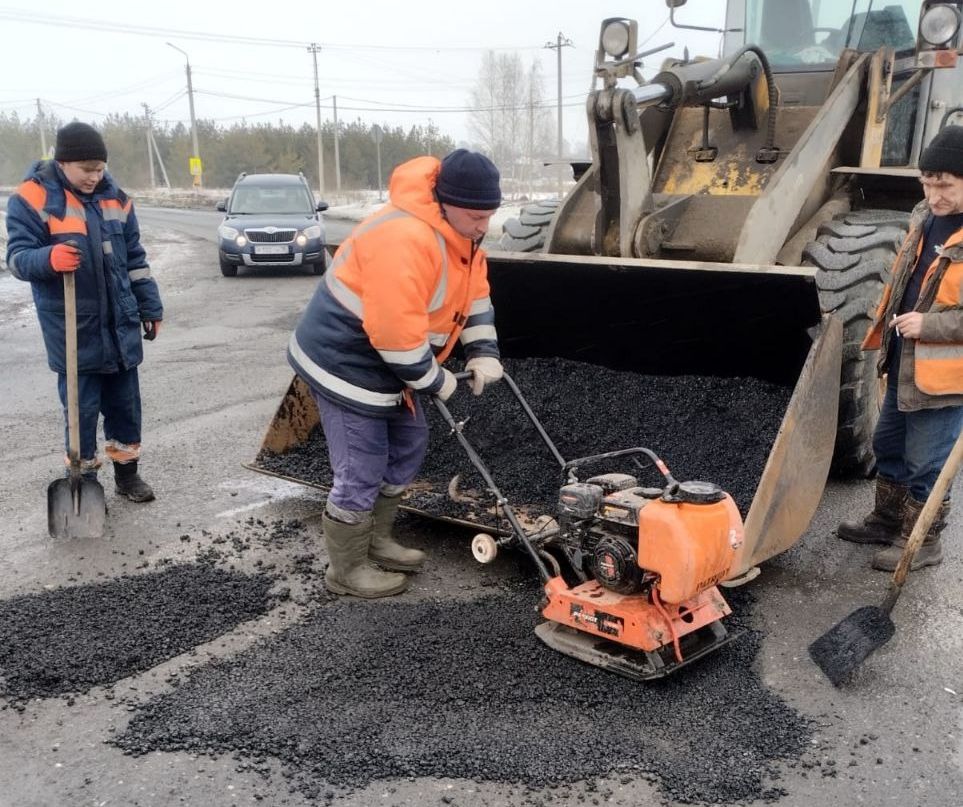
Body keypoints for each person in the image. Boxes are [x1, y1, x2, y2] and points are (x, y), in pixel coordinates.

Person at [288, 149, 503, 598]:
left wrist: (483, 352)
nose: (483, 226)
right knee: (361, 465)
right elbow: (393, 334)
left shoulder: (465, 240)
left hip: (390, 363)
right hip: (344, 361)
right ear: (444, 203)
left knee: (409, 443)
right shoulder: (405, 237)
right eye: (474, 215)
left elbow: (474, 299)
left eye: (490, 215)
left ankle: (377, 539)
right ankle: (346, 570)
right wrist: (435, 380)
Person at [5, 122, 164, 503]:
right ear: (64, 163)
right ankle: (83, 480)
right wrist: (48, 258)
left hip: (120, 324)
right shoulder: (32, 199)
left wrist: (150, 306)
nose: (95, 176)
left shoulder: (117, 199)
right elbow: (17, 258)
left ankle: (127, 476)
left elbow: (136, 261)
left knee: (125, 407)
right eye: (87, 169)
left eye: (100, 168)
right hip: (73, 327)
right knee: (81, 411)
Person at [837, 125, 963, 571]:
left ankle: (923, 542)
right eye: (927, 183)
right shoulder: (923, 217)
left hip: (944, 375)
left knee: (926, 461)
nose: (934, 194)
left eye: (945, 185)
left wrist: (929, 324)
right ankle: (886, 521)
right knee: (888, 443)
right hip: (904, 359)